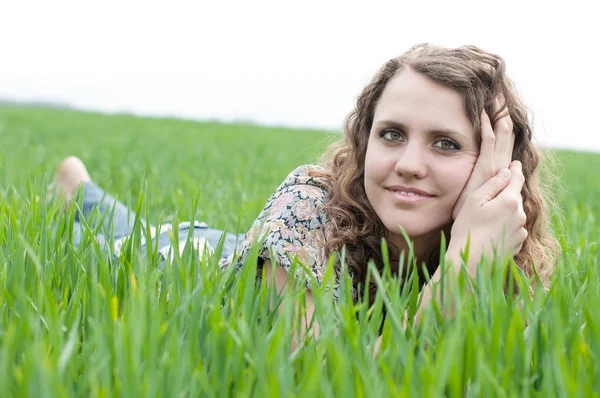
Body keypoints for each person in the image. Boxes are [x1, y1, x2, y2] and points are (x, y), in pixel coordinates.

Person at [53, 43, 558, 347]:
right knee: (113, 231)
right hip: (188, 258)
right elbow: (318, 375)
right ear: (364, 140)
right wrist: (464, 267)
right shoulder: (310, 199)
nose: (408, 163)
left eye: (446, 143)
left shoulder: (507, 252)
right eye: (391, 134)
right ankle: (78, 184)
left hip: (265, 253)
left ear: (498, 169)